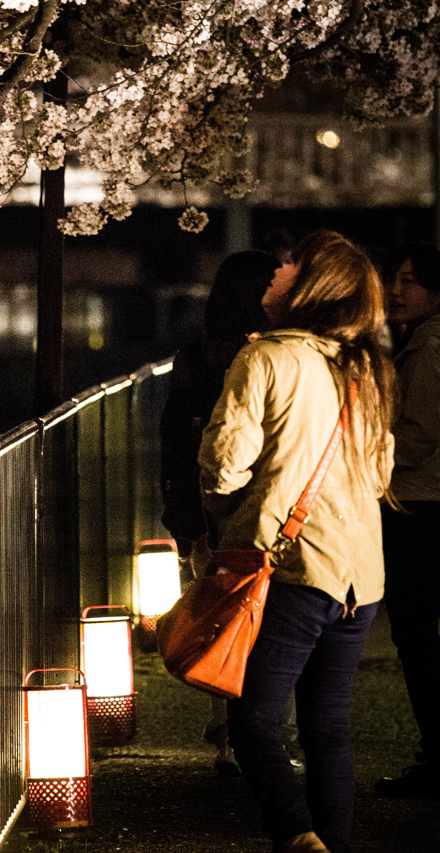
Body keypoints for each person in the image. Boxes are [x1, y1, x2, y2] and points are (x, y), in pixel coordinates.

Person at [198, 230, 395, 853]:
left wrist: (231, 510)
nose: (276, 274)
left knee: (253, 719)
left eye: (289, 267)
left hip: (289, 566)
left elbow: (224, 466)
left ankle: (296, 834)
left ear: (309, 286)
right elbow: (382, 471)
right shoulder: (369, 368)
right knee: (326, 727)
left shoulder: (264, 360)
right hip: (359, 578)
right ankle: (327, 840)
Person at [159, 248, 281, 775]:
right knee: (270, 628)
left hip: (203, 514)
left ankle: (227, 738)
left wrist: (185, 516)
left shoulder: (195, 357)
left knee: (218, 625)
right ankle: (270, 740)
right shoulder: (271, 358)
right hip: (261, 513)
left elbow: (174, 443)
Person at [374, 241, 440, 799]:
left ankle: (436, 756)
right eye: (394, 279)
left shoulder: (427, 349)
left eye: (409, 281)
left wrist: (373, 466)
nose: (396, 291)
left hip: (420, 505)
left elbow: (418, 435)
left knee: (418, 638)